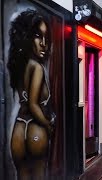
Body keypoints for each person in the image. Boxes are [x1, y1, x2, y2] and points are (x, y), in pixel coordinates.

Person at [7, 9, 55, 180]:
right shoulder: (37, 68)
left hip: (19, 130)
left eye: (46, 38)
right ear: (27, 37)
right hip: (36, 129)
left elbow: (25, 100)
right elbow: (34, 104)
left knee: (22, 175)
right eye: (37, 36)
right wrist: (48, 125)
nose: (43, 43)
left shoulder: (18, 66)